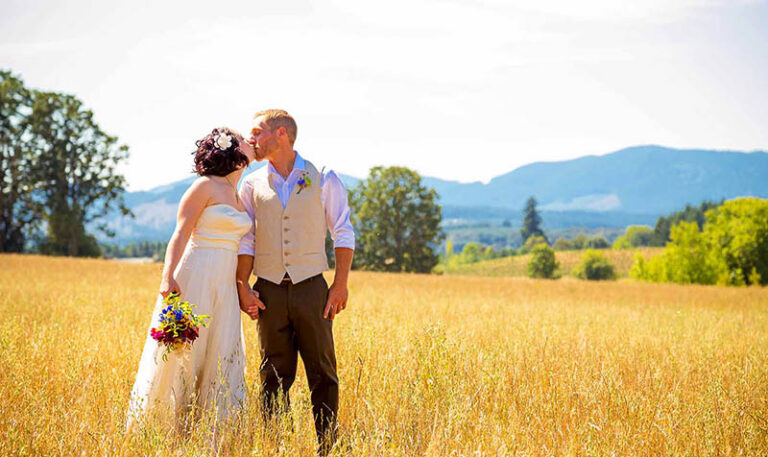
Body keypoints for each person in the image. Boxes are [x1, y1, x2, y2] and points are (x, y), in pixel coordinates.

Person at [236, 109, 355, 455]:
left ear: (281, 134)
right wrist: (243, 285)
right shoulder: (251, 183)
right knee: (272, 372)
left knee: (322, 371)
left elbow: (342, 231)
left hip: (312, 288)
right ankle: (275, 447)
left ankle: (328, 447)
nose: (251, 140)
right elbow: (246, 239)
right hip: (268, 290)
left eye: (257, 132)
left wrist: (340, 284)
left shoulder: (323, 176)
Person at [127, 128, 257, 433]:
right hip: (196, 273)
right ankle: (164, 428)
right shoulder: (204, 186)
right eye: (242, 138)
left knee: (220, 351)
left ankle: (213, 431)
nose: (250, 141)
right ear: (231, 150)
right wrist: (167, 276)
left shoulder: (239, 193)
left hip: (225, 283)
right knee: (184, 352)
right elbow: (181, 233)